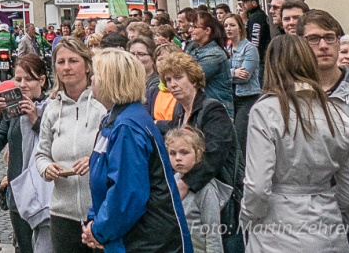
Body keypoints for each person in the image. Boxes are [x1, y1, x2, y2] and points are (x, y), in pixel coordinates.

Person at [241, 34, 349, 253]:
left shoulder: (265, 111)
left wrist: (248, 216)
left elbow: (257, 186)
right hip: (328, 226)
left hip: (277, 229)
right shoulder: (337, 115)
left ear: (272, 66)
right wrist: (330, 207)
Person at [82, 49, 191, 252]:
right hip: (134, 237)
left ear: (110, 80)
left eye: (96, 74)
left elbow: (128, 193)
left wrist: (98, 230)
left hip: (147, 241)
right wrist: (94, 219)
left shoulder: (127, 127)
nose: (91, 80)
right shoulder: (115, 120)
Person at [300, 10, 349, 253]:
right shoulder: (291, 95)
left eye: (330, 37)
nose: (323, 45)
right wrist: (344, 145)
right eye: (313, 39)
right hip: (307, 220)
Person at [157, 52, 237, 248]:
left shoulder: (212, 110)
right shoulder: (179, 111)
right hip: (191, 205)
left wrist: (184, 185)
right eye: (168, 79)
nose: (172, 84)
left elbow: (214, 155)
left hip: (217, 197)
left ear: (193, 79)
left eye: (178, 77)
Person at [35, 38, 105, 253]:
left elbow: (115, 151)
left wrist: (95, 161)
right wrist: (47, 169)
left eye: (73, 61)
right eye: (61, 61)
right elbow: (41, 154)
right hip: (62, 213)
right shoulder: (52, 108)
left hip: (100, 210)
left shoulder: (102, 104)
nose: (66, 67)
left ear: (86, 65)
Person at [0, 53, 51, 253]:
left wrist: (35, 120)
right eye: (18, 79)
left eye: (29, 79)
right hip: (19, 196)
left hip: (46, 197)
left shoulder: (52, 107)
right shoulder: (13, 109)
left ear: (42, 80)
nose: (22, 84)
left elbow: (55, 146)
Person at [166, 127, 229, 253]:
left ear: (198, 154)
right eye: (173, 153)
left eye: (184, 152)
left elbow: (213, 234)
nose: (178, 158)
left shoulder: (206, 189)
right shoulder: (172, 181)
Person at [223, 13, 259, 184]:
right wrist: (232, 73)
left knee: (240, 136)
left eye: (232, 25)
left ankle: (244, 177)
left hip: (247, 97)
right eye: (226, 26)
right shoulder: (227, 50)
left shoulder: (249, 48)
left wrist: (230, 75)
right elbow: (226, 75)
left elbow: (245, 75)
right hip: (232, 98)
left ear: (240, 27)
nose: (228, 29)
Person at [188, 10, 233, 119]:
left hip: (218, 111)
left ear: (207, 30)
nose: (190, 30)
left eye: (195, 27)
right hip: (204, 109)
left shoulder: (214, 54)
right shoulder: (196, 50)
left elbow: (192, 78)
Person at [238, 0, 270, 66]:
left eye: (245, 2)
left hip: (260, 60)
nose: (243, 5)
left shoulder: (256, 17)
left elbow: (255, 40)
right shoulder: (254, 15)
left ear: (254, 3)